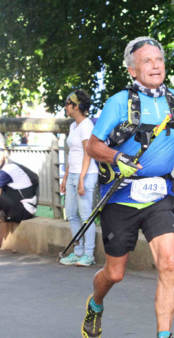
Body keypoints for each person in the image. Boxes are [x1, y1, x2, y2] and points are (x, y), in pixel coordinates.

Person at [82, 37, 174, 338]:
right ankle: (95, 303)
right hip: (121, 196)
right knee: (116, 273)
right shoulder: (120, 102)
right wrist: (117, 155)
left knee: (170, 262)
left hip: (158, 195)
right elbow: (92, 145)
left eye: (159, 59)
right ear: (133, 69)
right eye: (147, 61)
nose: (156, 65)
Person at [59, 90, 97, 267]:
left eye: (68, 103)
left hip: (86, 174)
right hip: (74, 174)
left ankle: (88, 254)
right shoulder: (73, 126)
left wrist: (81, 178)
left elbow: (88, 153)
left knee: (85, 215)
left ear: (76, 106)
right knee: (72, 214)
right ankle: (78, 250)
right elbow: (73, 154)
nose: (66, 106)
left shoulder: (86, 126)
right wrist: (66, 177)